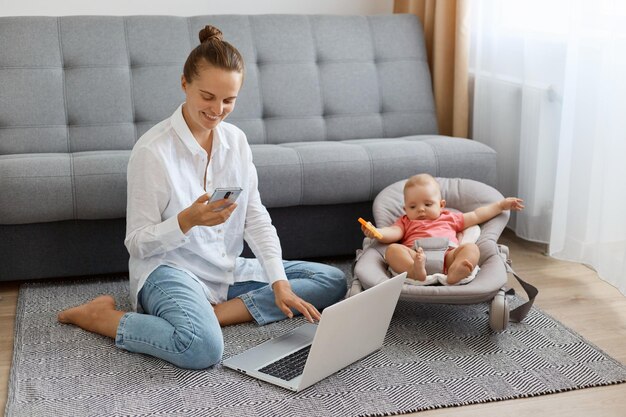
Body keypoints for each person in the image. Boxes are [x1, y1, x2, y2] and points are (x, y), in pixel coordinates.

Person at [57, 25, 347, 369]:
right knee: (202, 349)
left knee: (332, 280)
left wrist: (279, 283)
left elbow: (255, 218)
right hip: (168, 271)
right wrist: (185, 221)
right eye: (207, 97)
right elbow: (136, 244)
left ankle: (217, 314)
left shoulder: (236, 142)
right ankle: (99, 317)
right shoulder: (153, 152)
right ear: (184, 84)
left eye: (229, 100)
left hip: (223, 269)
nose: (217, 110)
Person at [361, 174, 524, 285]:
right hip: (416, 255)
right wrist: (376, 232)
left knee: (471, 248)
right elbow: (393, 233)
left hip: (448, 255)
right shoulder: (405, 222)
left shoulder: (451, 217)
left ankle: (456, 270)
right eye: (413, 206)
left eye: (427, 204)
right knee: (392, 250)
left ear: (441, 205)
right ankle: (414, 271)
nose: (420, 210)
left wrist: (500, 205)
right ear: (405, 209)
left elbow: (477, 215)